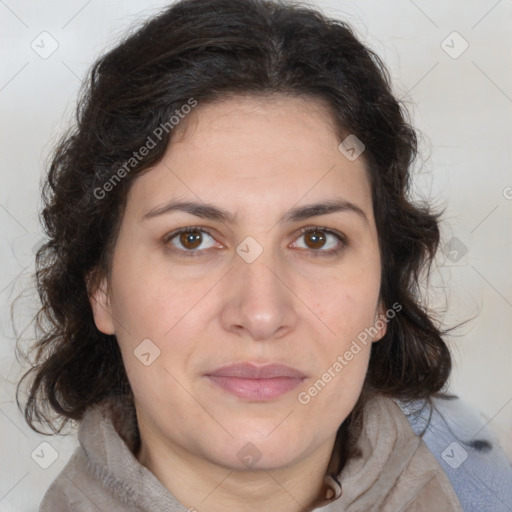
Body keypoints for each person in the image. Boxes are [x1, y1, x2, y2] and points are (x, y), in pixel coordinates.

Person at [18, 0, 512, 510]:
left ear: (383, 287)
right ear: (102, 289)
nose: (261, 314)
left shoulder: (488, 472)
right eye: (192, 239)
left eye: (317, 239)